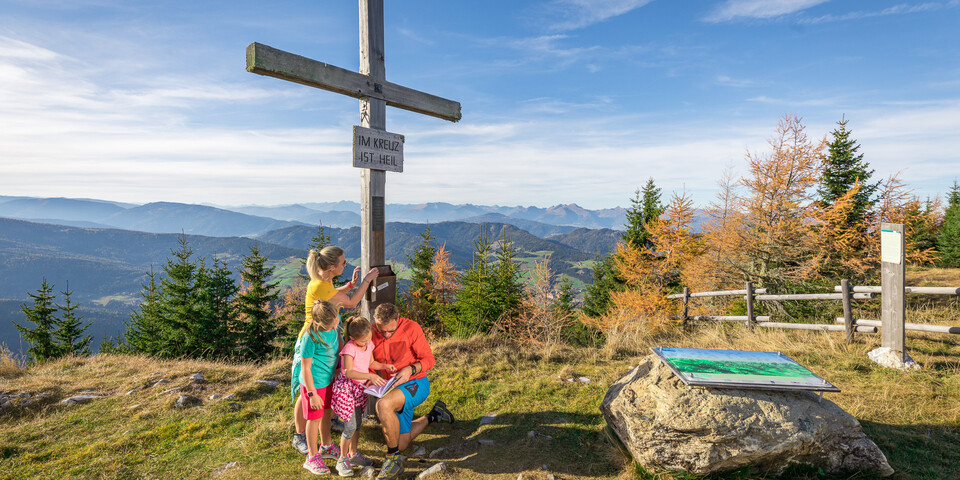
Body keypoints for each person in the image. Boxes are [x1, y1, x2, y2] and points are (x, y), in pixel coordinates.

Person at [292, 246, 379, 456]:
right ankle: (300, 435)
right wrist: (366, 281)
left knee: (322, 386)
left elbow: (334, 294)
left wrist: (349, 284)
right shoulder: (321, 285)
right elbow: (350, 303)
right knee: (307, 390)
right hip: (315, 341)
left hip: (327, 338)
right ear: (331, 267)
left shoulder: (324, 280)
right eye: (343, 263)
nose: (345, 265)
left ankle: (322, 426)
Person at [370, 303, 454, 480]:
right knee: (401, 443)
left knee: (383, 405)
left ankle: (393, 460)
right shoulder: (371, 332)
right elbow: (366, 362)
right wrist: (370, 377)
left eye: (389, 331)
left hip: (416, 383)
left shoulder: (411, 328)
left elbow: (429, 360)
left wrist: (411, 369)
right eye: (381, 330)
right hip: (392, 389)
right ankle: (434, 415)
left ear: (397, 320)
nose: (385, 335)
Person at [331, 316, 396, 477]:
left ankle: (353, 453)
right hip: (347, 390)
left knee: (358, 423)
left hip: (359, 390)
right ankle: (342, 459)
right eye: (363, 342)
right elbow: (348, 372)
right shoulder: (349, 348)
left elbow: (371, 363)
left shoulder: (368, 343)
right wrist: (370, 376)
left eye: (368, 340)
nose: (367, 344)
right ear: (352, 338)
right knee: (351, 426)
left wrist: (384, 366)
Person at [296, 300, 342, 475]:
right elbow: (305, 367)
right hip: (313, 383)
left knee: (327, 414)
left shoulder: (334, 328)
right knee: (314, 418)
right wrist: (312, 393)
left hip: (329, 379)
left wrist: (339, 369)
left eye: (336, 317)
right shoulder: (311, 336)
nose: (337, 321)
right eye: (334, 320)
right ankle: (312, 457)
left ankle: (327, 446)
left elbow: (338, 348)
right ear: (322, 322)